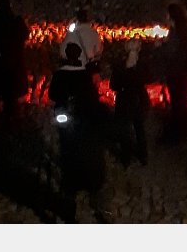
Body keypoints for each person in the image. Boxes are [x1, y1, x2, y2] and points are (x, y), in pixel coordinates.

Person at [49, 42, 111, 223]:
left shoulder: (60, 75)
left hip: (70, 122)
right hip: (81, 121)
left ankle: (70, 207)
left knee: (68, 152)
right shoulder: (84, 75)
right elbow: (92, 97)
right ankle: (96, 206)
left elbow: (53, 95)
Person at [160, 1, 187, 144]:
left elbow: (171, 53)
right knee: (183, 99)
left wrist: (160, 46)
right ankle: (181, 130)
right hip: (184, 72)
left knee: (178, 102)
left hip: (176, 71)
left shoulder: (176, 33)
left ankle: (176, 134)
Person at [110, 39, 150, 167]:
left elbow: (114, 85)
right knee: (139, 128)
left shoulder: (119, 65)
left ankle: (125, 158)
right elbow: (148, 78)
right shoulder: (143, 65)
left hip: (125, 99)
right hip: (139, 99)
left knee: (124, 129)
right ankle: (142, 156)